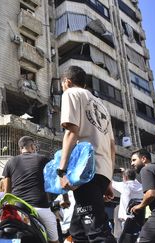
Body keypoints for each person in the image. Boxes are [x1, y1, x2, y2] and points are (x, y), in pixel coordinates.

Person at [58, 65, 116, 243]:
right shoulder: (102, 106)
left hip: (86, 172)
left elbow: (71, 132)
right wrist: (108, 180)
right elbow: (112, 146)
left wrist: (62, 170)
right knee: (77, 231)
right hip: (102, 171)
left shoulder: (71, 93)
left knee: (97, 233)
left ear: (67, 82)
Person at [2, 136, 59, 243]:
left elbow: (6, 192)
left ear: (20, 148)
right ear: (33, 147)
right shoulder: (43, 159)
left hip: (17, 209)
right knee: (54, 240)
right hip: (39, 208)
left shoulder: (10, 162)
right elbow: (54, 182)